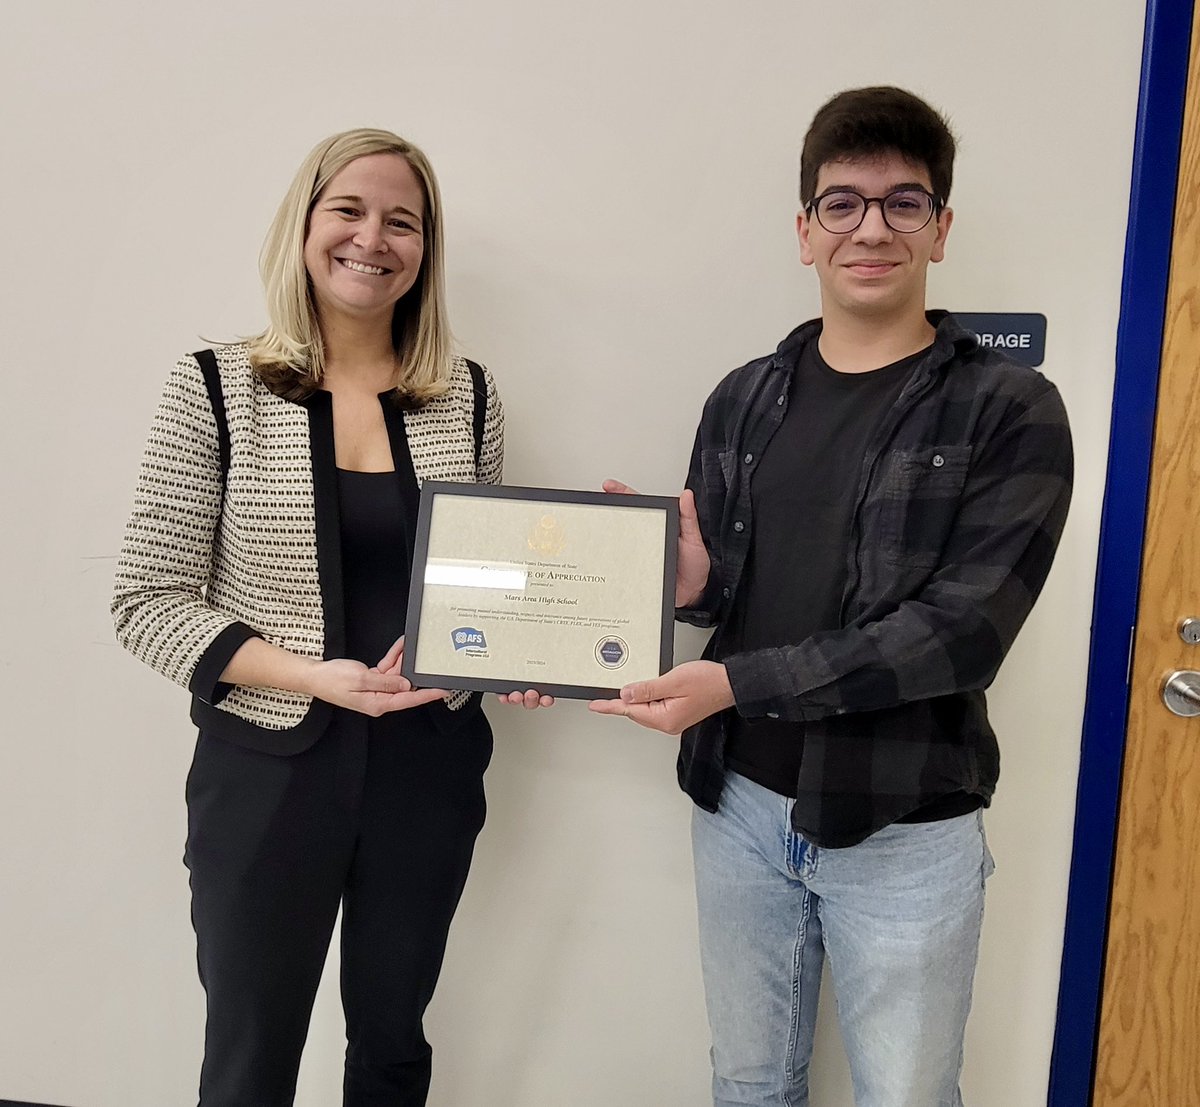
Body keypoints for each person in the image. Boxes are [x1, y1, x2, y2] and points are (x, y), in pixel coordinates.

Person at [591, 87, 1073, 1106]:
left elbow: (958, 637)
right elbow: (742, 586)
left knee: (905, 1095)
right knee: (750, 1082)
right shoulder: (744, 395)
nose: (871, 228)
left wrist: (732, 680)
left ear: (942, 230)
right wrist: (692, 586)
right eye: (842, 203)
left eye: (904, 203)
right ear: (804, 231)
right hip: (738, 808)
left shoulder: (1010, 408)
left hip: (907, 823)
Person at [112, 128, 505, 1106]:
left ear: (425, 249)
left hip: (428, 769)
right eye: (350, 210)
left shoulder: (469, 397)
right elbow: (145, 600)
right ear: (305, 225)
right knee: (251, 1054)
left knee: (393, 1044)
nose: (374, 238)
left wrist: (506, 653)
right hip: (267, 769)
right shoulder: (213, 384)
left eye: (402, 221)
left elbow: (483, 592)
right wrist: (309, 675)